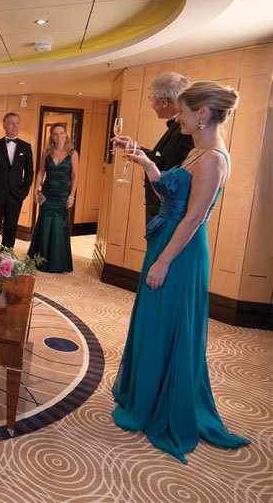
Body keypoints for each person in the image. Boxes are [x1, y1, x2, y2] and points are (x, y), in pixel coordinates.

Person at [111, 81, 249, 463]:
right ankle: (146, 394)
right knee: (154, 320)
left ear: (201, 113)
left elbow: (194, 218)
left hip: (181, 252)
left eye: (184, 111)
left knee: (169, 323)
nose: (179, 117)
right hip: (166, 239)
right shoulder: (196, 150)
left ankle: (161, 404)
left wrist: (164, 261)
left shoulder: (214, 158)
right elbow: (168, 193)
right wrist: (146, 162)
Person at [142, 72, 194, 224]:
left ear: (164, 101)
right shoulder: (178, 129)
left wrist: (146, 164)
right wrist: (137, 150)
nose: (152, 105)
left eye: (151, 100)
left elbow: (173, 180)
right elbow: (164, 158)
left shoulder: (183, 132)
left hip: (165, 215)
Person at [28, 123, 79, 272]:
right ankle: (40, 261)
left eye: (61, 133)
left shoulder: (73, 153)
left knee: (59, 226)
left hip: (63, 194)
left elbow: (75, 176)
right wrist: (35, 191)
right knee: (44, 223)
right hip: (46, 193)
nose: (59, 136)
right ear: (51, 136)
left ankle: (58, 263)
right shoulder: (46, 152)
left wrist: (72, 196)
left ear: (66, 134)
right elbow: (40, 172)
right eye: (56, 134)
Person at [0, 112, 34, 248]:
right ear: (4, 126)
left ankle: (7, 256)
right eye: (11, 123)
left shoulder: (26, 147)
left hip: (16, 195)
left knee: (11, 227)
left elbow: (30, 173)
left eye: (17, 123)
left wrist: (24, 192)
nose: (15, 126)